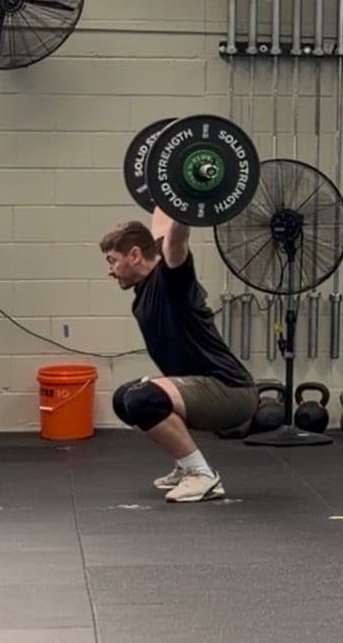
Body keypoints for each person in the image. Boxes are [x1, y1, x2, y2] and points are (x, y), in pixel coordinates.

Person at [100, 208, 257, 502]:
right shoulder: (146, 282)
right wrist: (170, 182)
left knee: (143, 398)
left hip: (230, 391)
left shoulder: (171, 279)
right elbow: (161, 219)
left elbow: (176, 237)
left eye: (113, 261)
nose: (109, 270)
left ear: (134, 255)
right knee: (124, 399)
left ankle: (202, 475)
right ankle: (185, 466)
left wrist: (188, 202)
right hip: (201, 385)